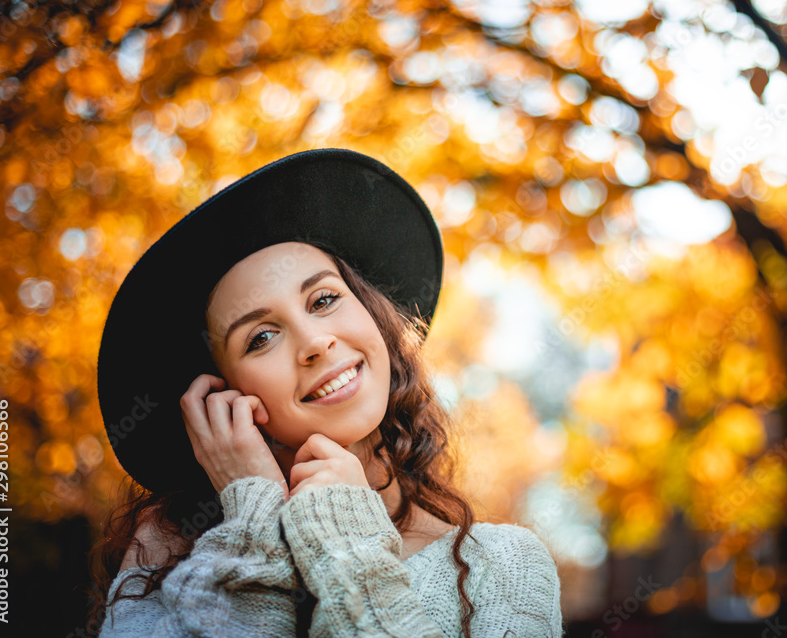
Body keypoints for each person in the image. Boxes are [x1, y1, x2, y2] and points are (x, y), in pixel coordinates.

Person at [88, 148, 564, 637]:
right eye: (261, 338)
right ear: (222, 396)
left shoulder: (504, 568)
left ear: (374, 315)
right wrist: (252, 516)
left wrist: (347, 538)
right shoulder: (167, 551)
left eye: (324, 299)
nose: (315, 342)